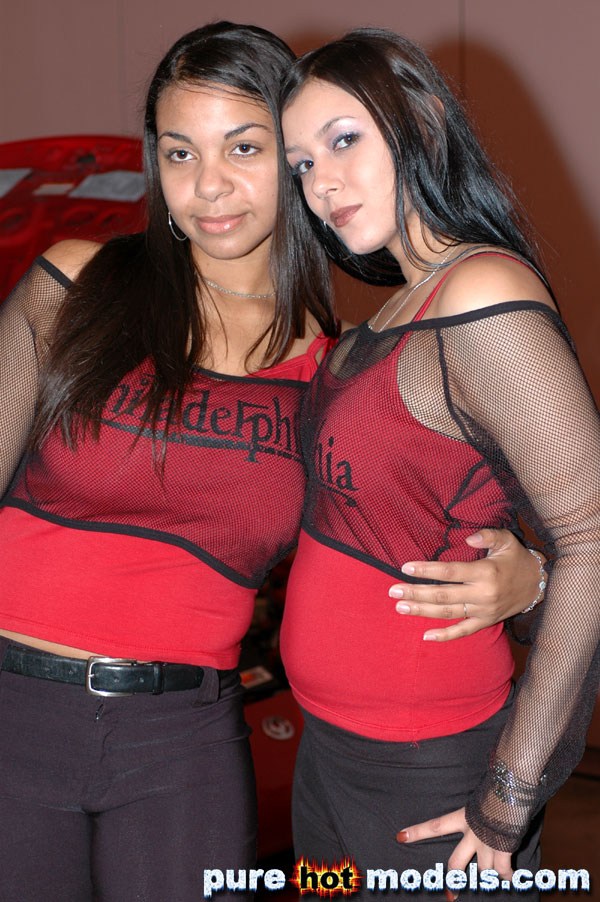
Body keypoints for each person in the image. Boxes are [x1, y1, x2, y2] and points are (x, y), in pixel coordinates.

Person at [0, 21, 545, 902]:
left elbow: (470, 521)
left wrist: (531, 579)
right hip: (13, 714)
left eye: (244, 148)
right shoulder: (75, 287)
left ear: (293, 160)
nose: (208, 185)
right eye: (180, 152)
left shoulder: (337, 368)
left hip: (181, 744)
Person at [280, 27, 600, 900]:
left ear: (420, 121)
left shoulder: (482, 290)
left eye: (344, 140)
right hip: (329, 754)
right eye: (302, 164)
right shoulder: (392, 312)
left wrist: (509, 798)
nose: (321, 183)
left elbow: (592, 538)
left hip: (427, 770)